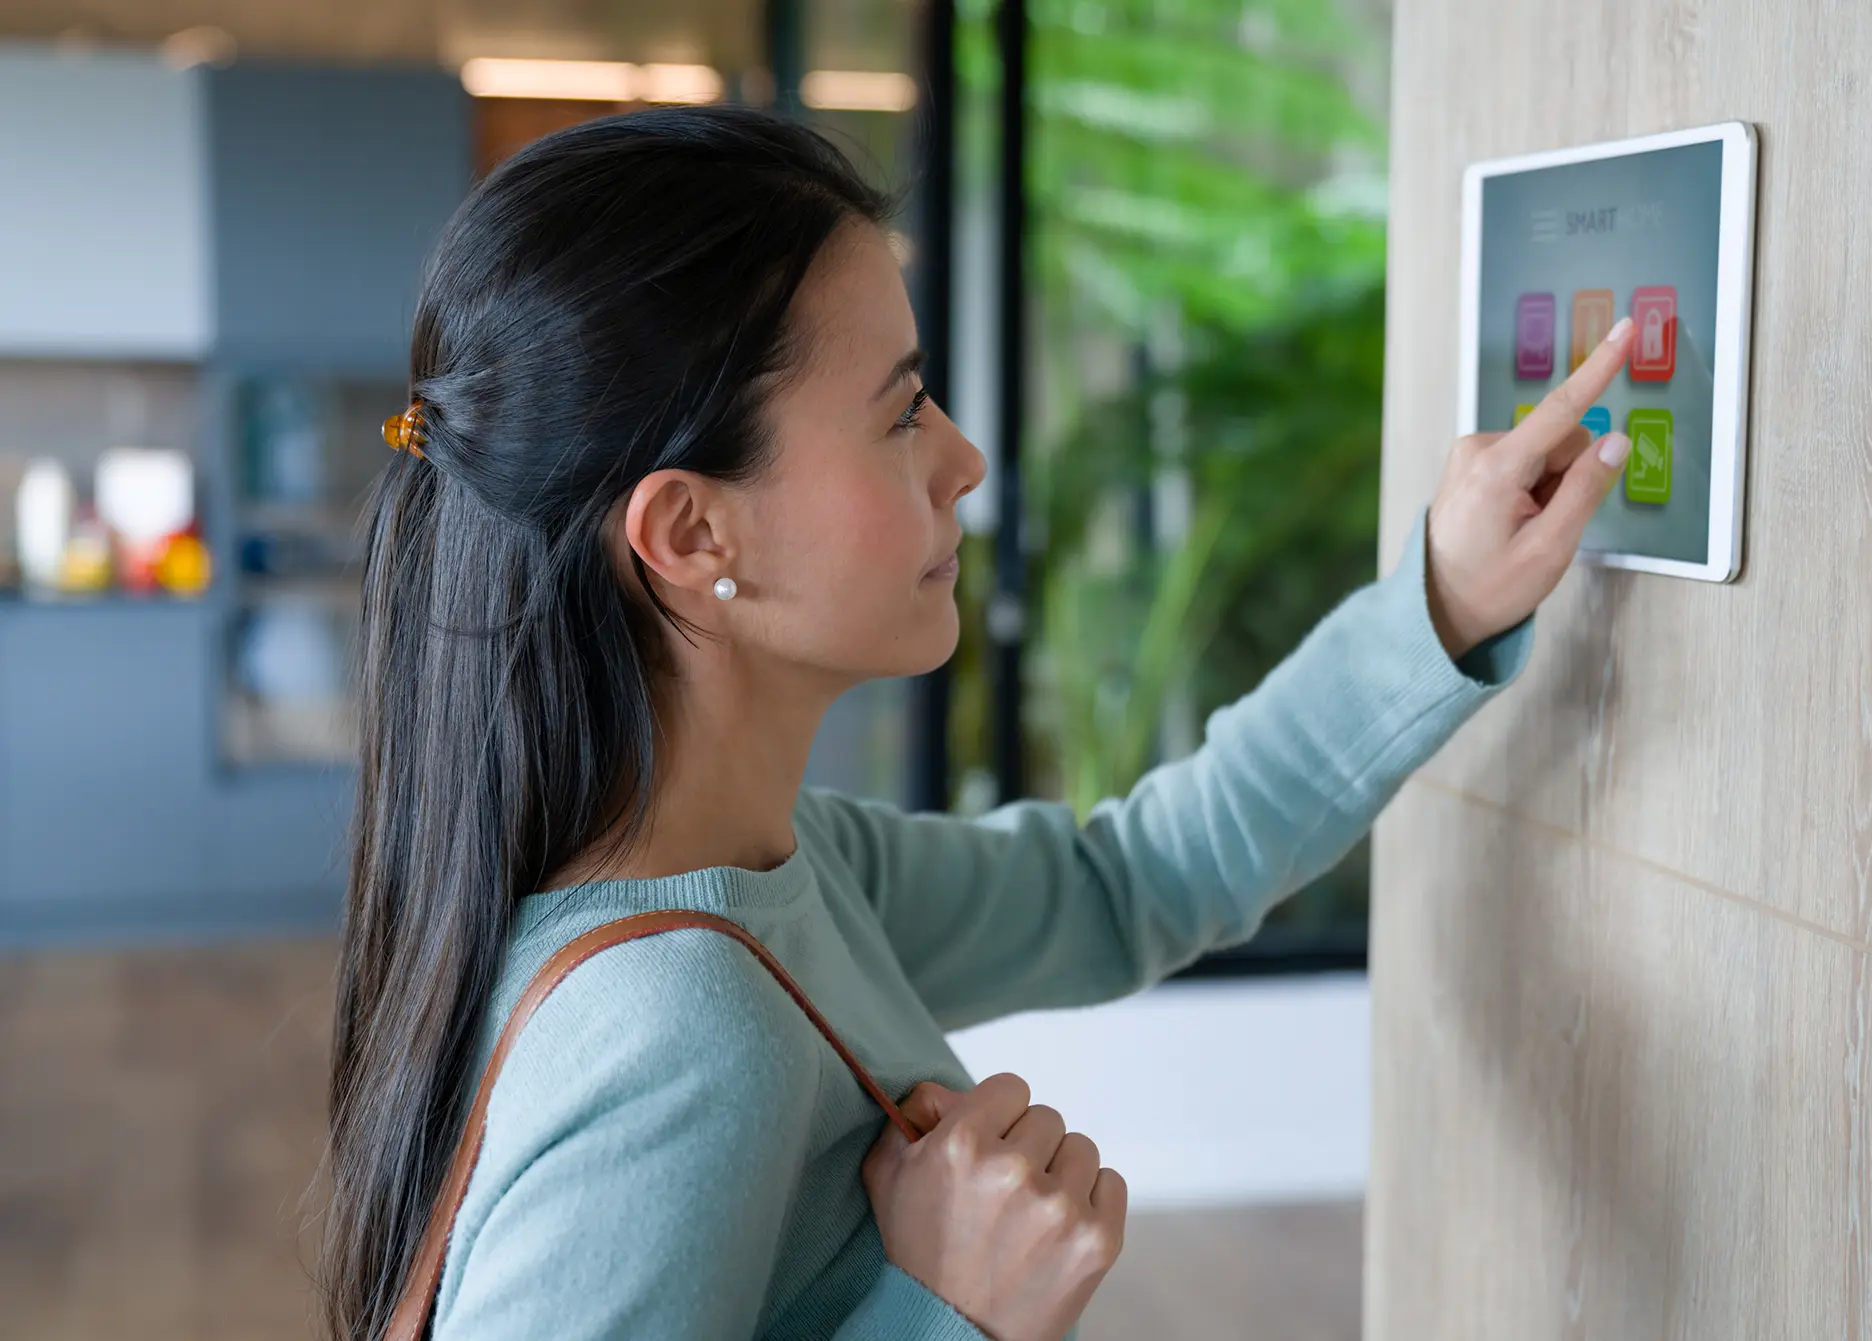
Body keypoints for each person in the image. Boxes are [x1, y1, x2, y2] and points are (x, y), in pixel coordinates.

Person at [319, 105, 1638, 1341]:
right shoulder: (684, 1035)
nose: (962, 458)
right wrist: (946, 1309)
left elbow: (1127, 882)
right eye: (900, 411)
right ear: (692, 532)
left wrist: (1440, 603)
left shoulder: (790, 870)